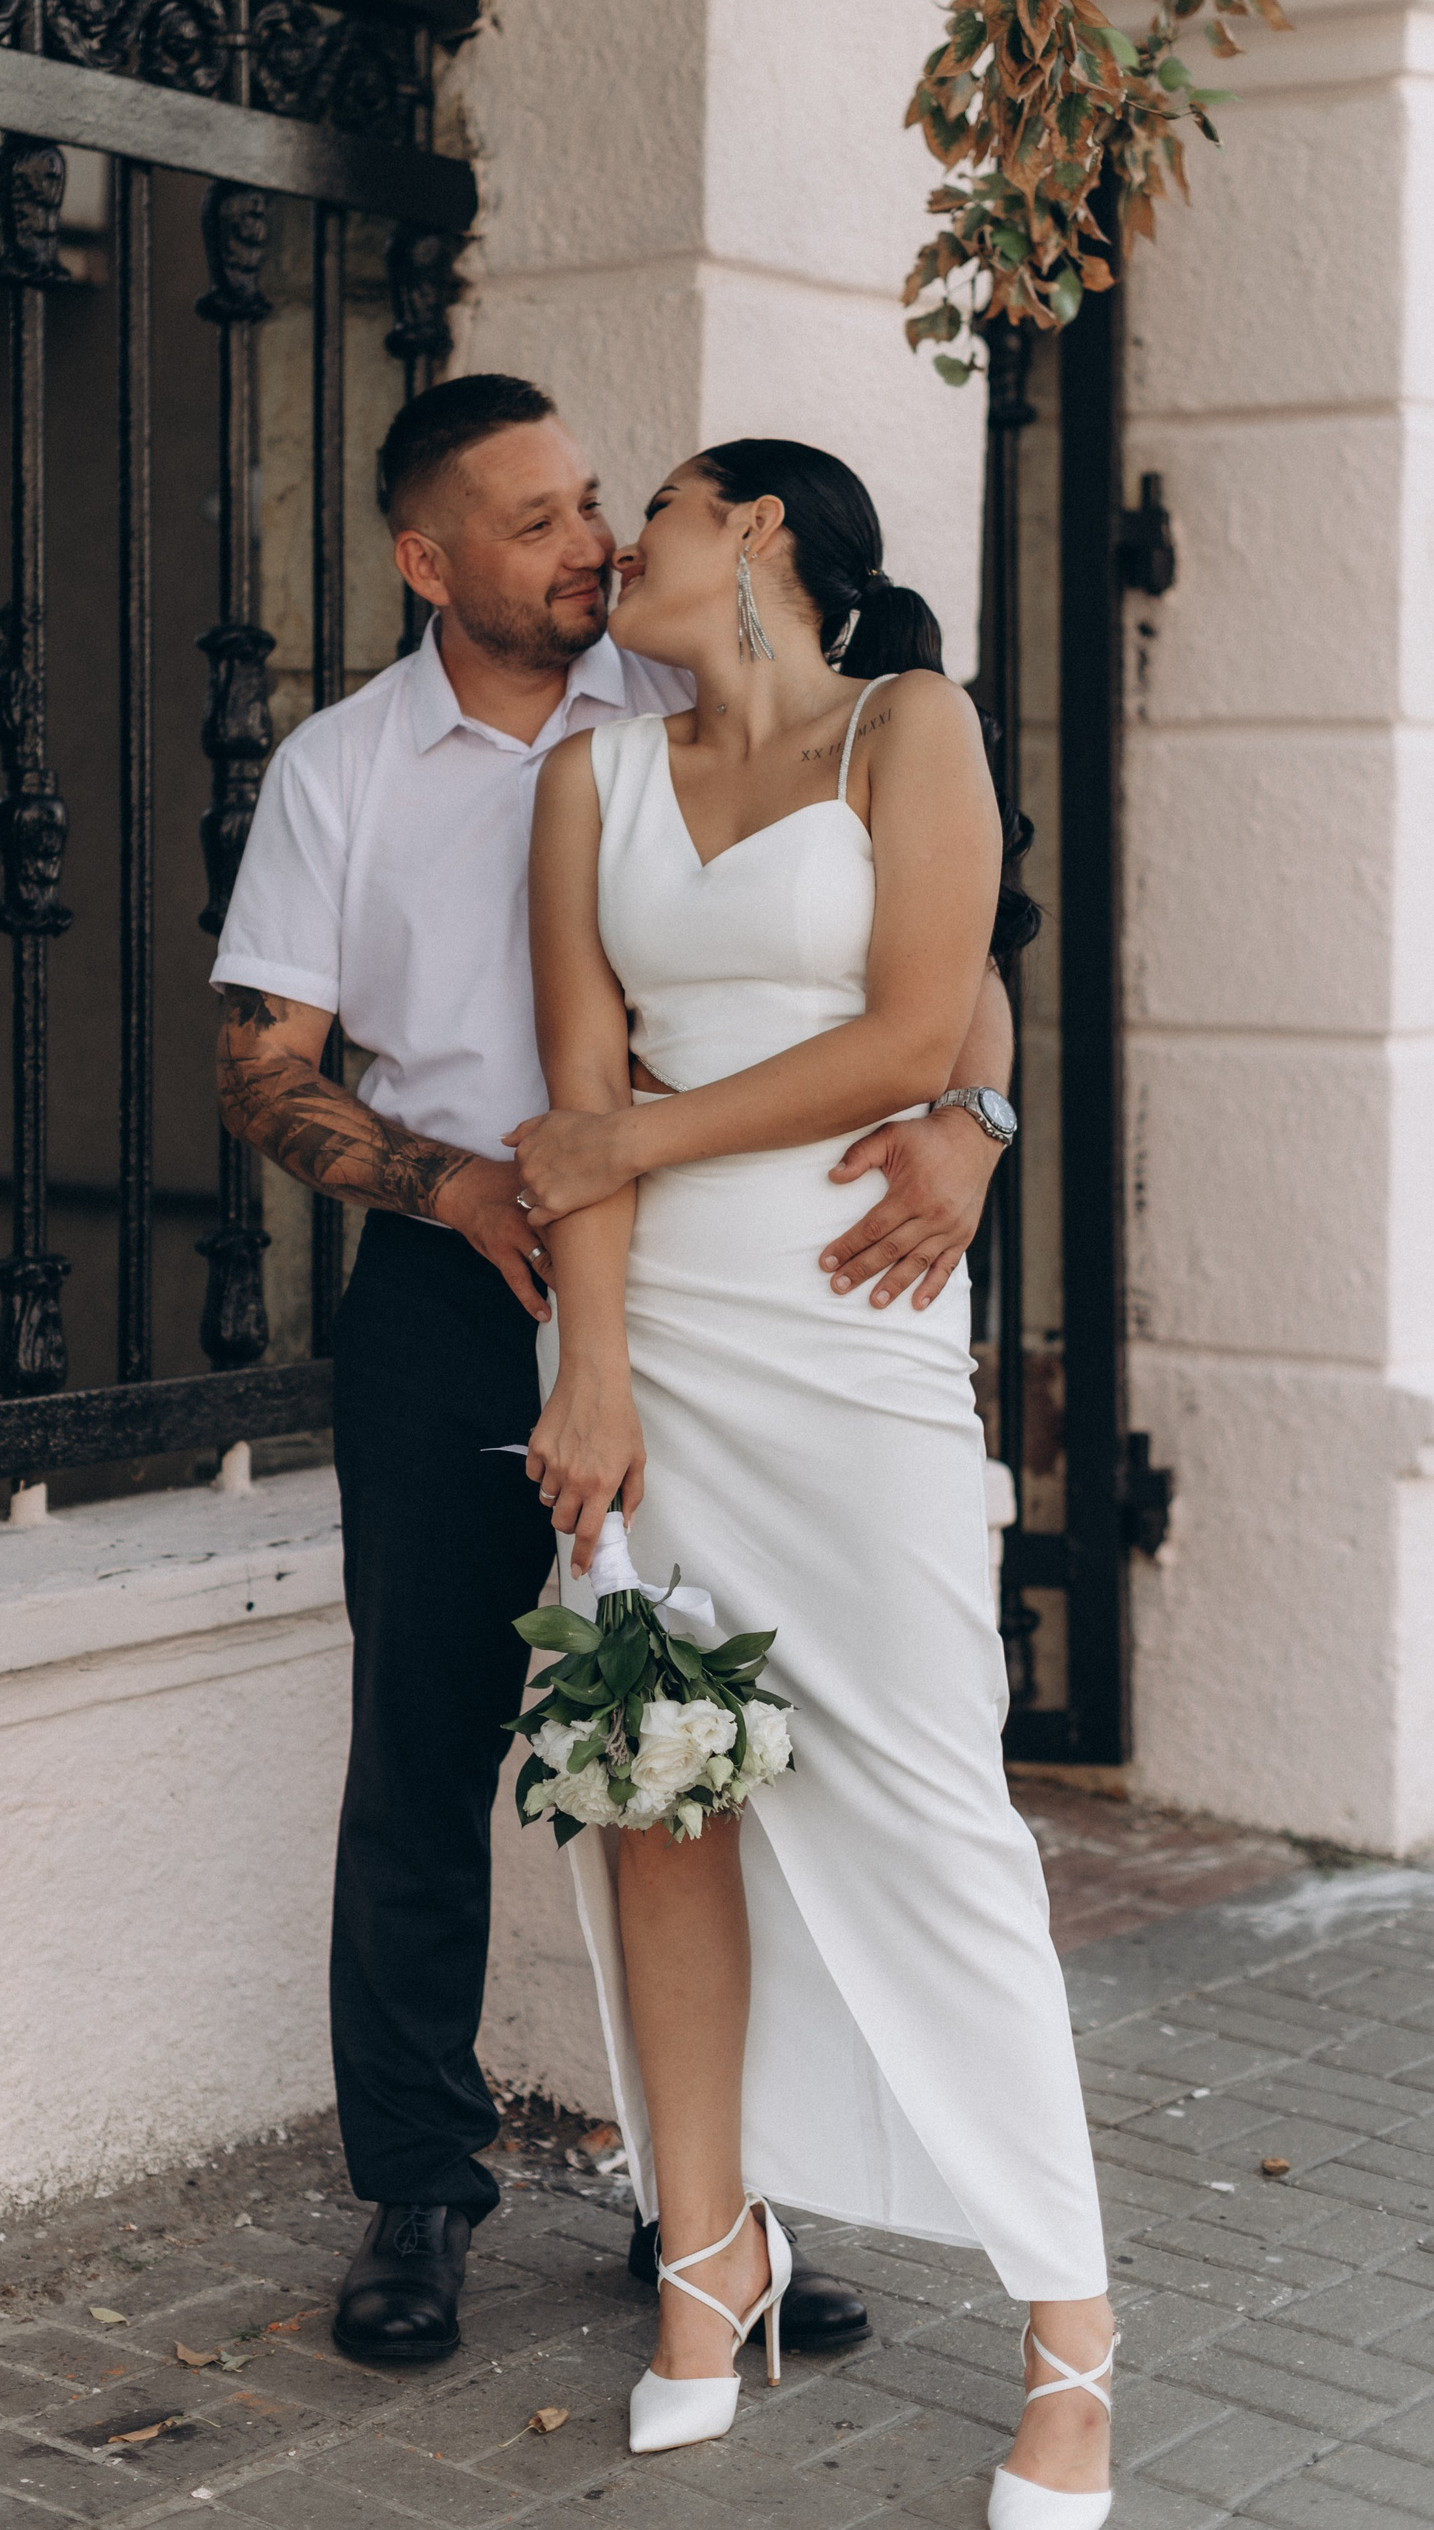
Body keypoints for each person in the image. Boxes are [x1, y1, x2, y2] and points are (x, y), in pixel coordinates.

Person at [211, 377, 1018, 2371]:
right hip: (448, 1293)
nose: (592, 544)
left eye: (596, 502)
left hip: (698, 1295)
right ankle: (420, 2186)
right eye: (540, 521)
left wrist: (978, 1117)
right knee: (424, 1745)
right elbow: (263, 1068)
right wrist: (449, 1182)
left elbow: (935, 953)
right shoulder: (338, 768)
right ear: (429, 562)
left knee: (710, 1747)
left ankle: (710, 2201)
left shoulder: (687, 700)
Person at [508, 438, 1111, 2520]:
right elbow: (571, 1085)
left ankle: (1070, 2335)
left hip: (856, 1331)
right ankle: (707, 2264)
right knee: (659, 1792)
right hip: (651, 1340)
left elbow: (920, 1029)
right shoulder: (584, 783)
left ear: (756, 527)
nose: (615, 547)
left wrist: (648, 1138)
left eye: (654, 511)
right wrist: (591, 1369)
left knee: (935, 1802)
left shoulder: (907, 725)